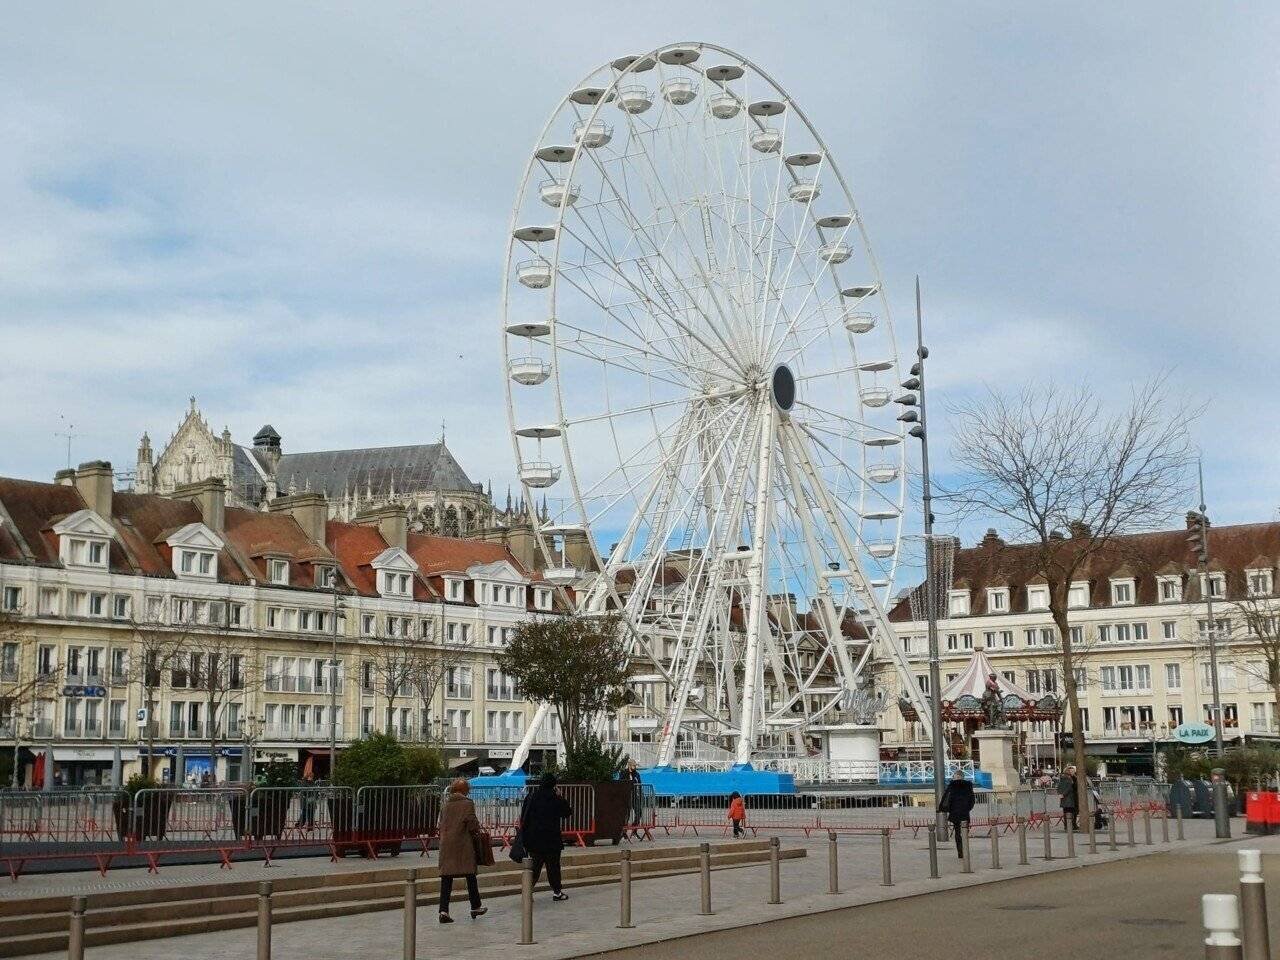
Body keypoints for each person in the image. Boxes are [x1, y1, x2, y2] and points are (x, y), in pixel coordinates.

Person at [436, 778, 487, 923]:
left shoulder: (445, 805)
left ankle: (443, 910)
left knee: (446, 878)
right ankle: (475, 906)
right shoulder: (467, 803)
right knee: (470, 875)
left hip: (446, 845)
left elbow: (441, 824)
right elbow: (471, 824)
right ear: (464, 790)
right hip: (463, 844)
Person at [521, 772, 572, 901]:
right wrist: (560, 796)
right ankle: (557, 892)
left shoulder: (531, 797)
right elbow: (567, 812)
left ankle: (527, 891)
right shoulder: (555, 798)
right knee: (553, 867)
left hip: (534, 839)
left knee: (535, 868)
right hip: (551, 839)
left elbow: (524, 816)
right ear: (554, 785)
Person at [938, 769, 975, 858]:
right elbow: (972, 800)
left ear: (954, 777)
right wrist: (967, 808)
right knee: (965, 832)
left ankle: (960, 852)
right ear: (963, 777)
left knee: (958, 833)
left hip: (955, 813)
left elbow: (946, 799)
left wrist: (947, 809)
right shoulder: (968, 786)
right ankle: (965, 850)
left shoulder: (951, 786)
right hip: (965, 813)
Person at [622, 761, 643, 828]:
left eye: (635, 765)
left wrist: (639, 793)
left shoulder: (636, 774)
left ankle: (634, 827)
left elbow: (639, 784)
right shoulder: (623, 773)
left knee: (639, 812)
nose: (635, 767)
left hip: (634, 794)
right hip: (626, 795)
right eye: (634, 765)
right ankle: (624, 831)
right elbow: (621, 782)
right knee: (627, 813)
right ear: (629, 765)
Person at [1058, 765, 1079, 831]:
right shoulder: (1067, 778)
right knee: (1069, 811)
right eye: (1071, 770)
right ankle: (1069, 825)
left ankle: (1072, 824)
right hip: (1069, 797)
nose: (1073, 772)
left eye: (1073, 770)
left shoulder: (1074, 777)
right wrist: (1062, 794)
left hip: (1072, 796)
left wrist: (1061, 794)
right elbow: (1068, 787)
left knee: (1073, 811)